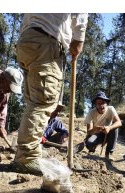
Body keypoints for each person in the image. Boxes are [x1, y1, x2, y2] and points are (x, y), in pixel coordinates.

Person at [14, 14, 88, 175]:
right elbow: (80, 13)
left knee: (34, 101)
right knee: (42, 102)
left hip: (27, 41)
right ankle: (26, 157)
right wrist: (78, 39)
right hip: (46, 41)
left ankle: (29, 151)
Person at [84, 91, 122, 161]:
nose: (101, 105)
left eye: (103, 103)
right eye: (98, 103)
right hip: (97, 134)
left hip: (109, 133)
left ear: (106, 103)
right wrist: (96, 128)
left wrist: (109, 127)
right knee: (89, 143)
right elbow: (89, 132)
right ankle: (92, 149)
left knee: (115, 128)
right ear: (95, 104)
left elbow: (119, 122)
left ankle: (109, 153)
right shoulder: (91, 112)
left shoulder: (111, 109)